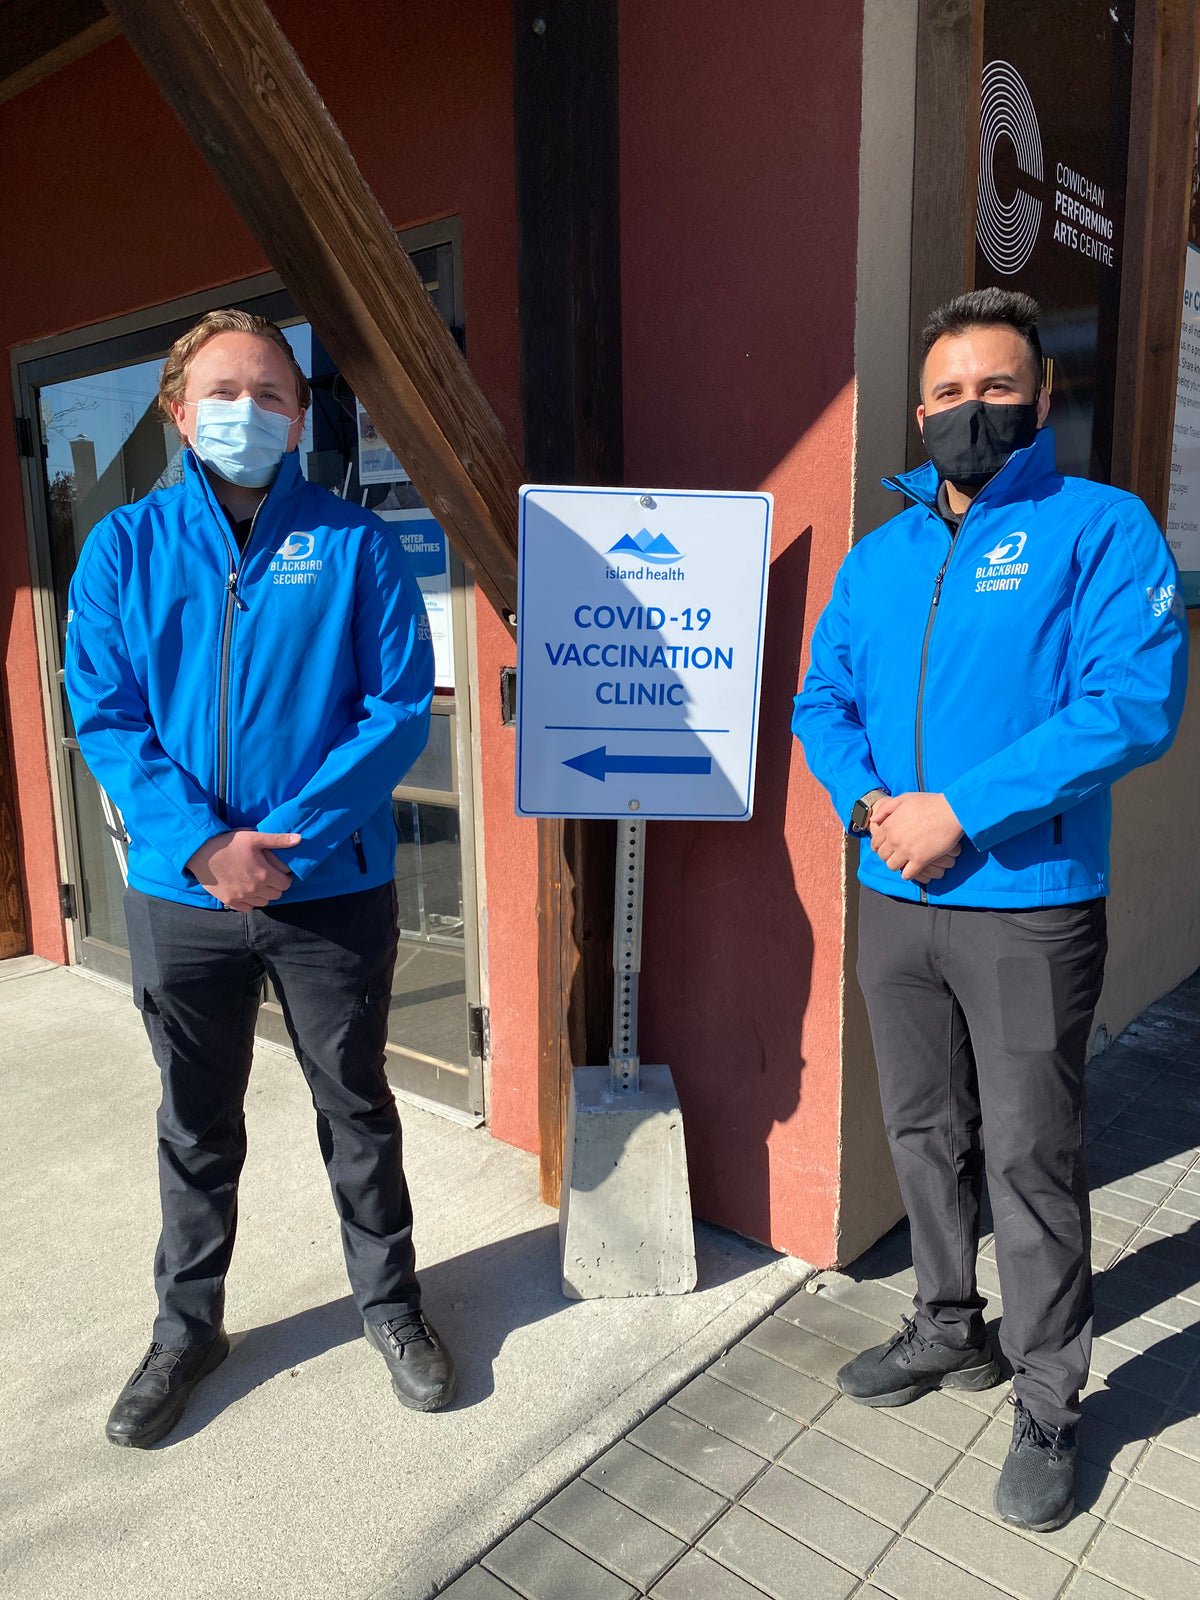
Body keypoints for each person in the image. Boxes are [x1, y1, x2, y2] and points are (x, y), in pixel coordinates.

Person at [792, 288, 1188, 1532]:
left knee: (1030, 1153)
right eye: (950, 393)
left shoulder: (1101, 529)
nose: (973, 409)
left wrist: (960, 807)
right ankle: (946, 1321)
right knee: (922, 1130)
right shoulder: (881, 554)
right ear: (920, 413)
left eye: (997, 386)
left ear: (1042, 397)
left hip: (1028, 899)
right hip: (895, 895)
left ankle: (1051, 1398)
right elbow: (823, 701)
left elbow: (1131, 703)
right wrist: (871, 806)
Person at [65, 309, 451, 1447]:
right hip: (183, 901)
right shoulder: (121, 551)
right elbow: (107, 713)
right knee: (194, 1121)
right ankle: (188, 1329)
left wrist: (280, 843)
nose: (250, 411)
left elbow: (395, 713)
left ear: (299, 415)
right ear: (178, 413)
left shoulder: (356, 545)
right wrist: (202, 846)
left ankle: (392, 1306)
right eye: (225, 392)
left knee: (357, 1109)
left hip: (327, 890)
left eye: (273, 394)